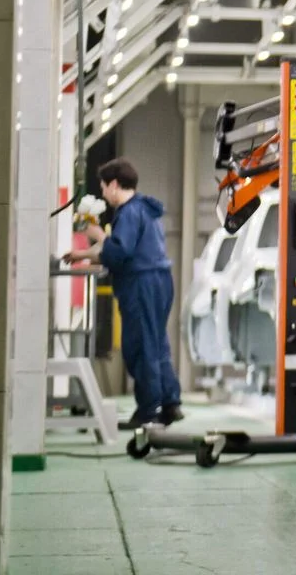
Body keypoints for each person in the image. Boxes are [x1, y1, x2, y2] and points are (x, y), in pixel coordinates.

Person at [64, 158, 184, 429]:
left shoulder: (129, 213)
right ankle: (170, 402)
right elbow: (126, 249)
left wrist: (96, 234)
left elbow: (118, 252)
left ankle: (147, 410)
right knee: (157, 342)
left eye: (104, 187)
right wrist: (82, 254)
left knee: (140, 345)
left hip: (141, 284)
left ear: (115, 185)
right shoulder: (146, 209)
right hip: (160, 281)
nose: (104, 193)